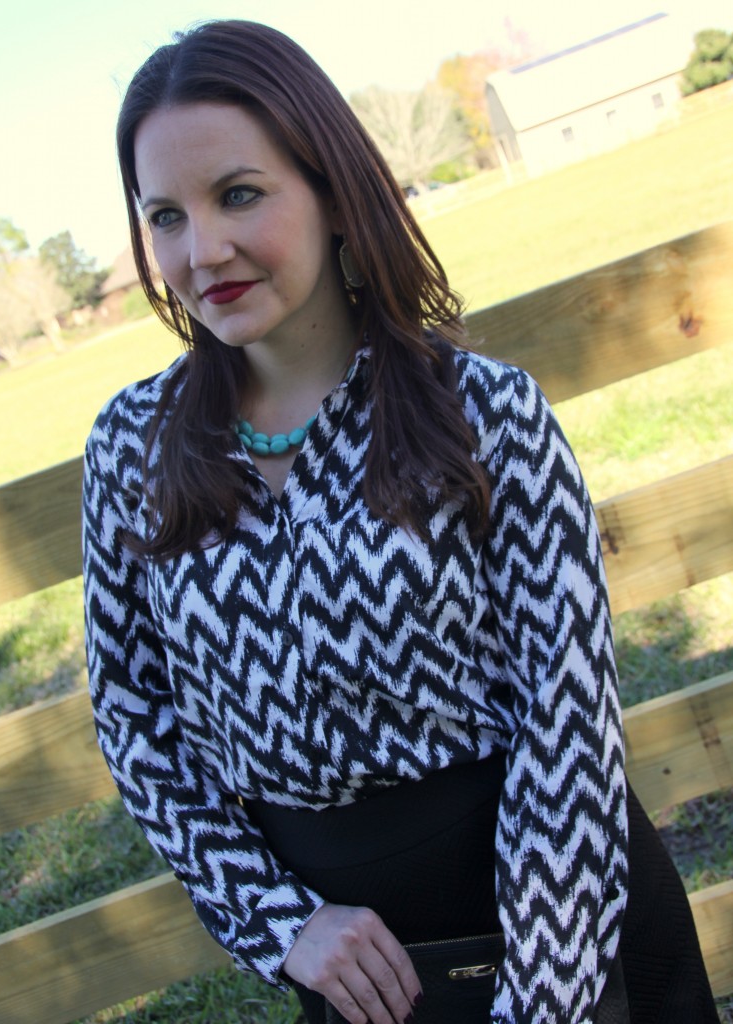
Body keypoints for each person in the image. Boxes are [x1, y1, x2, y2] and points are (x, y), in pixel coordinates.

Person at [82, 19, 718, 1024]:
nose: (202, 251)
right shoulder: (134, 447)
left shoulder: (484, 413)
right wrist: (279, 920)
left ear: (333, 191)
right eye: (164, 215)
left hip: (562, 912)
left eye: (239, 194)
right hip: (353, 961)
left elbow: (568, 717)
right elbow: (134, 715)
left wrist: (543, 998)